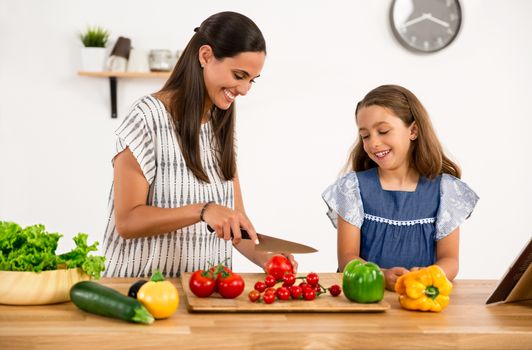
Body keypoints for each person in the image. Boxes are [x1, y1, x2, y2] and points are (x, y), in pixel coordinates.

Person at [102, 11, 297, 277]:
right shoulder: (147, 117)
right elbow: (127, 221)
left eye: (252, 80)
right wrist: (203, 211)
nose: (244, 90)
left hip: (202, 294)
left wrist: (267, 258)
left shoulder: (221, 127)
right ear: (205, 56)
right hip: (139, 291)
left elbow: (235, 225)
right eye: (239, 75)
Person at [322, 84, 478, 290]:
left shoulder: (445, 191)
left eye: (383, 131)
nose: (373, 143)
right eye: (365, 135)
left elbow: (450, 260)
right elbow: (347, 259)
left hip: (421, 303)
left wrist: (427, 276)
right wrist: (380, 276)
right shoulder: (352, 188)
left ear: (413, 130)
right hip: (366, 302)